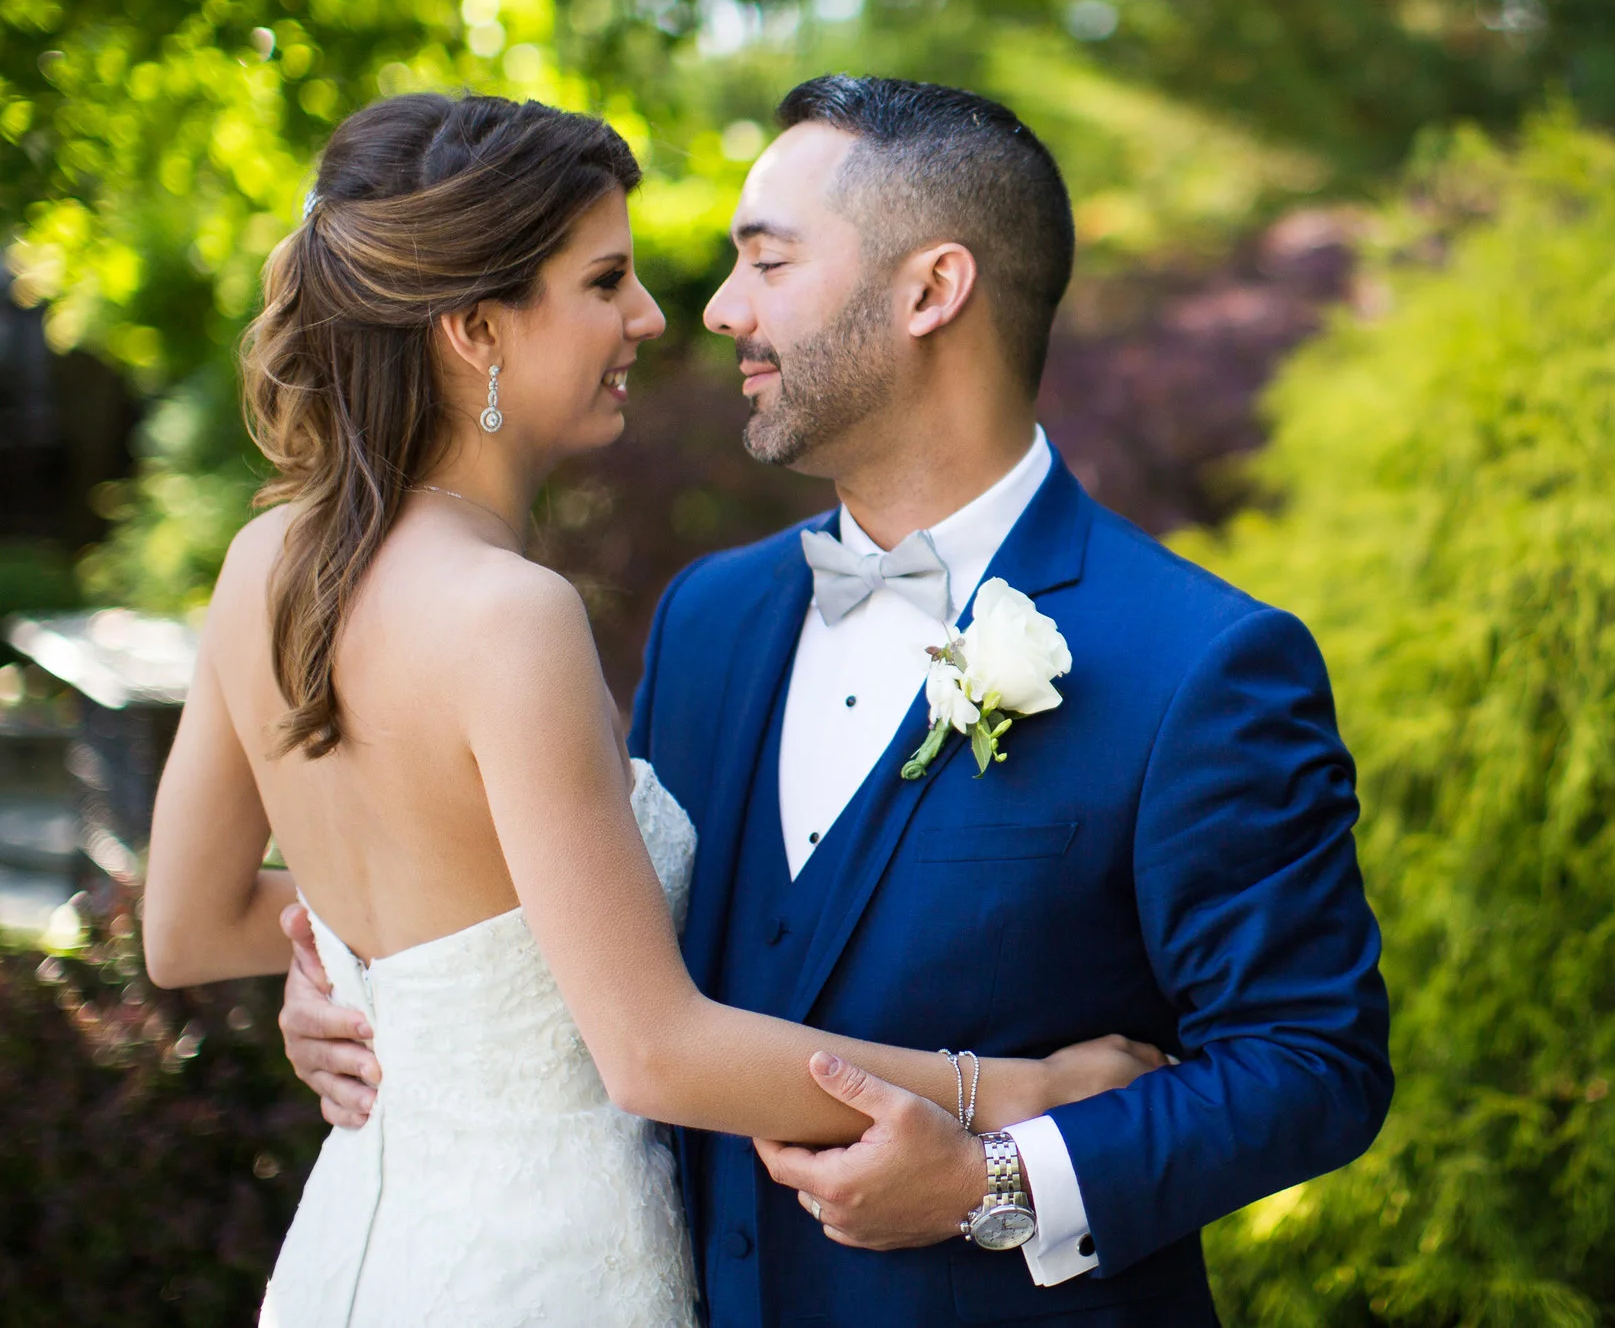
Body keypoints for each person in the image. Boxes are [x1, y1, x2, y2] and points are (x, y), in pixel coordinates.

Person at [279, 75, 1395, 1325]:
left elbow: (1312, 1065)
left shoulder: (1202, 660)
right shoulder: (708, 619)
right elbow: (599, 933)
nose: (716, 309)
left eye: (766, 261)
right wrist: (364, 985)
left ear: (932, 289)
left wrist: (998, 1179)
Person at [142, 93, 1163, 1328]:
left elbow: (188, 929)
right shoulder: (508, 615)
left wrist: (378, 971)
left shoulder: (265, 561)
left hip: (359, 1254)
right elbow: (652, 1049)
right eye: (604, 280)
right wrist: (1012, 1088)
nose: (654, 316)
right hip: (543, 1269)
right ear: (476, 330)